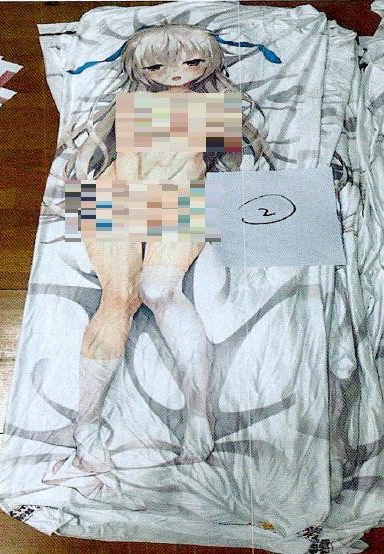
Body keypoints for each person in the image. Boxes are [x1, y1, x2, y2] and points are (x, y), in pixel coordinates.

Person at [62, 23, 279, 471]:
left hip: (181, 197)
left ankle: (199, 414)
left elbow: (214, 162)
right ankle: (86, 427)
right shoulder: (135, 105)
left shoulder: (219, 107)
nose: (176, 73)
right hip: (116, 194)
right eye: (158, 66)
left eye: (191, 62)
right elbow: (131, 168)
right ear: (140, 70)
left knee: (160, 288)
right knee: (119, 298)